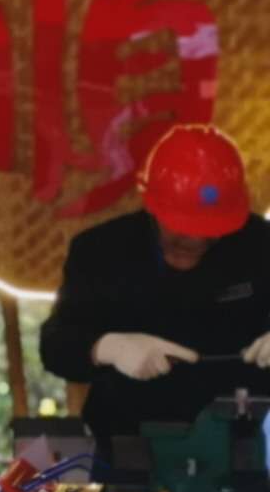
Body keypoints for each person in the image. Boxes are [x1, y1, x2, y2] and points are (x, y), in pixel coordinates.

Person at [41, 123, 270, 449]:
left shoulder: (261, 246)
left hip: (245, 447)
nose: (196, 240)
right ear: (151, 203)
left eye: (211, 231)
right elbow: (55, 346)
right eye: (181, 228)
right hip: (129, 449)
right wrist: (107, 347)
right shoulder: (101, 251)